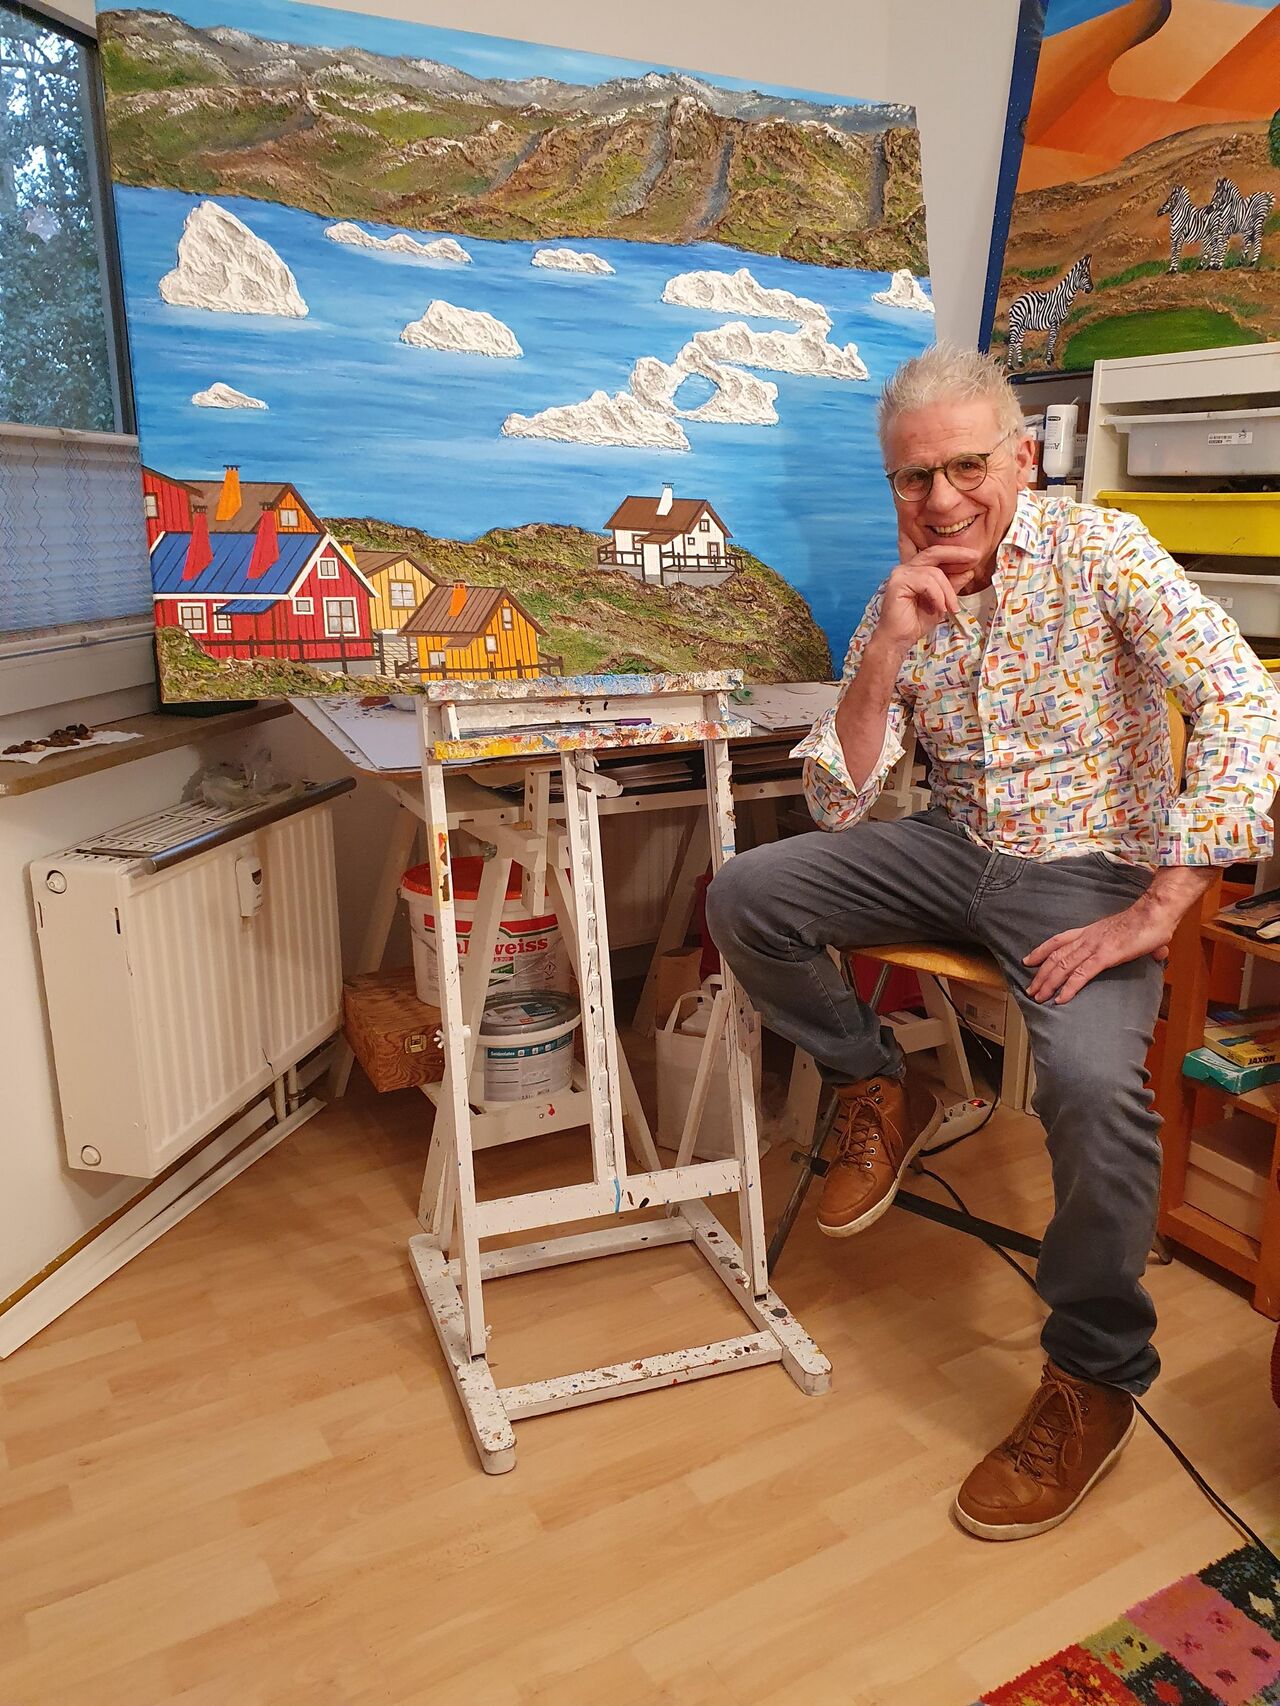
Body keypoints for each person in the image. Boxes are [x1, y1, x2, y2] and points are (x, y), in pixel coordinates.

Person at [706, 343, 1280, 1541]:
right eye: (912, 477)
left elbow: (1243, 699)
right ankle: (878, 1081)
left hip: (1086, 868)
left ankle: (1092, 1376)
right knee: (748, 893)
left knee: (1089, 1086)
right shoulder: (903, 591)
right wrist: (883, 653)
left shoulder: (1102, 551)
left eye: (965, 466)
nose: (940, 499)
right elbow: (835, 805)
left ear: (1022, 457)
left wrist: (1163, 903)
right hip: (950, 843)